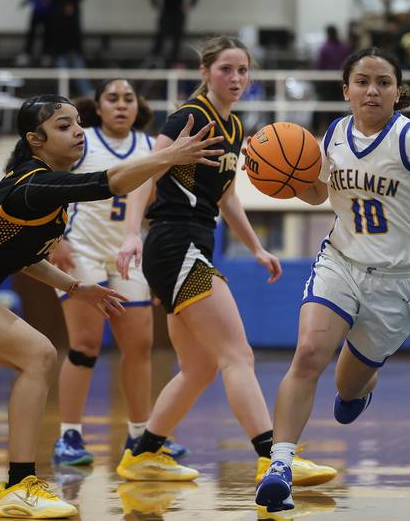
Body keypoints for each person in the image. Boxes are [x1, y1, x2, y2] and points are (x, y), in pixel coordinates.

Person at [255, 46, 410, 513]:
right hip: (340, 262)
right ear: (346, 89)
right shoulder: (333, 134)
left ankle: (362, 388)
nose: (372, 90)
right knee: (308, 354)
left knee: (346, 387)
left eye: (383, 82)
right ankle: (279, 467)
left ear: (397, 91)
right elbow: (317, 193)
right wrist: (276, 175)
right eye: (362, 81)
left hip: (396, 284)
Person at [0, 93, 222, 518]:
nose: (77, 132)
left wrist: (76, 287)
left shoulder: (36, 189)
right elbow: (112, 182)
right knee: (38, 355)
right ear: (35, 140)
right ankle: (19, 485)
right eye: (63, 126)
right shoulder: (35, 185)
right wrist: (170, 155)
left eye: (77, 123)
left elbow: (25, 257)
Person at [115, 36, 337, 487]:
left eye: (243, 70)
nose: (236, 78)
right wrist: (131, 233)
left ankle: (143, 454)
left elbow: (228, 197)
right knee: (238, 354)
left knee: (199, 367)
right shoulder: (189, 117)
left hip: (193, 243)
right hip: (175, 242)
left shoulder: (234, 128)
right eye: (226, 69)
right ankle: (272, 457)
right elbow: (146, 173)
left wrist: (255, 247)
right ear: (205, 72)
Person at [49, 79, 189, 468]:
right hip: (81, 249)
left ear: (138, 106)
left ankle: (141, 435)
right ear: (98, 107)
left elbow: (157, 209)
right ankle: (69, 435)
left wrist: (159, 265)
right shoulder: (82, 141)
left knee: (139, 347)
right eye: (112, 98)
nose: (121, 105)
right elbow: (50, 185)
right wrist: (55, 239)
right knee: (85, 345)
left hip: (128, 253)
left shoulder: (152, 145)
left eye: (128, 98)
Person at [150, 0, 199, 67]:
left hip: (179, 13)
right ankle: (155, 56)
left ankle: (174, 59)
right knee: (161, 35)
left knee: (178, 36)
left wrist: (189, 5)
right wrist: (156, 4)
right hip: (166, 12)